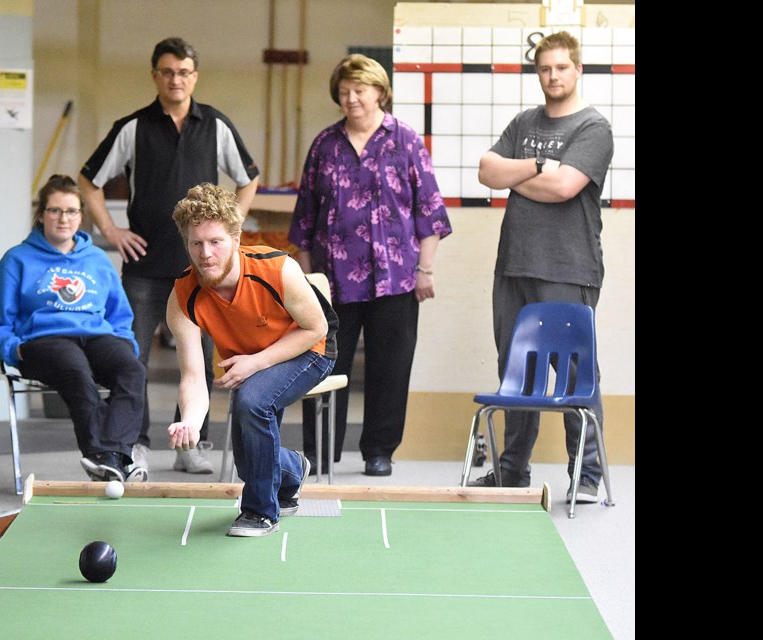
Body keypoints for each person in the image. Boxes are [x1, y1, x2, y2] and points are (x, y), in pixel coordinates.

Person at [79, 36, 260, 477]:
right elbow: (88, 181)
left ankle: (189, 446)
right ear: (155, 75)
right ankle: (135, 445)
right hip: (143, 267)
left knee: (199, 359)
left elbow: (249, 178)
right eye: (167, 71)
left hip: (203, 272)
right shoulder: (132, 127)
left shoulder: (216, 125)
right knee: (132, 359)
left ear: (194, 76)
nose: (175, 79)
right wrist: (111, 230)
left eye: (183, 72)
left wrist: (228, 234)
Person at [287, 54, 452, 477]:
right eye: (344, 92)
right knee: (323, 365)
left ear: (380, 92)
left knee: (390, 367)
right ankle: (319, 452)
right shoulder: (325, 144)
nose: (351, 99)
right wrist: (307, 279)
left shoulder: (406, 141)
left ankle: (380, 450)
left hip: (396, 279)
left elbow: (429, 211)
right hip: (332, 282)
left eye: (359, 90)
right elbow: (305, 216)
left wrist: (426, 270)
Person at [469, 31, 613, 504]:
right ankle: (511, 473)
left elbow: (565, 188)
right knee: (515, 368)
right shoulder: (523, 121)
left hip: (568, 268)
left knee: (574, 372)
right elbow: (488, 172)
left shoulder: (593, 127)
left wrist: (520, 176)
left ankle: (586, 477)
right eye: (544, 68)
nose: (552, 75)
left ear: (578, 70)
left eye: (561, 68)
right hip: (513, 265)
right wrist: (537, 165)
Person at [166, 183, 338, 536]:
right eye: (196, 244)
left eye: (216, 242)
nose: (206, 254)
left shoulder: (277, 269)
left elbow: (315, 328)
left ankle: (261, 512)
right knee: (249, 462)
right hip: (252, 360)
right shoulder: (183, 295)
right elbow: (193, 376)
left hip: (310, 348)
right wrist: (192, 422)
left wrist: (256, 362)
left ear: (236, 238)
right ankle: (292, 472)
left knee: (251, 401)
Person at [0, 175, 148, 486]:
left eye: (71, 211)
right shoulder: (17, 259)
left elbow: (120, 315)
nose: (63, 218)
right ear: (41, 214)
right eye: (55, 210)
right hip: (43, 340)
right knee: (75, 370)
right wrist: (12, 349)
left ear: (81, 216)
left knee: (132, 370)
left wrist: (126, 343)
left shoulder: (96, 259)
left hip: (97, 336)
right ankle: (105, 456)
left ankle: (115, 457)